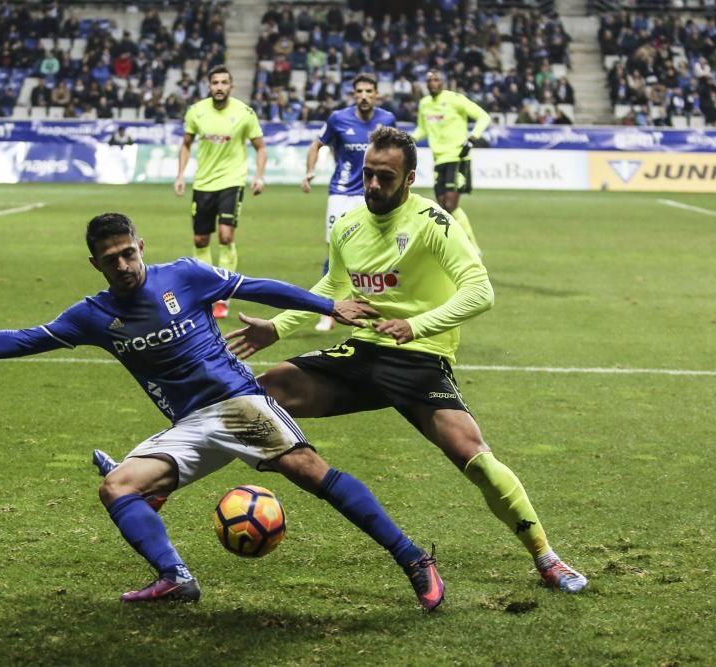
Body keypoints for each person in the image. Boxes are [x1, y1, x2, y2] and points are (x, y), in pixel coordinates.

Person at [0, 212, 445, 611]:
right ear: (96, 263)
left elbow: (255, 285)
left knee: (309, 471)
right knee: (117, 487)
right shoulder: (93, 316)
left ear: (141, 246)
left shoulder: (183, 276)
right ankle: (174, 576)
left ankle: (413, 557)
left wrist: (328, 305)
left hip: (235, 404)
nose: (122, 265)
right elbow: (24, 340)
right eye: (110, 259)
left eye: (128, 253)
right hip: (188, 425)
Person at [224, 127, 589, 595]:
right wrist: (277, 327)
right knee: (256, 397)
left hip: (420, 359)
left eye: (386, 178)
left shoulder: (434, 224)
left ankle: (547, 557)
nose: (373, 185)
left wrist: (417, 326)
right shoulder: (349, 226)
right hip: (363, 353)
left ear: (409, 178)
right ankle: (158, 479)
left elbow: (481, 292)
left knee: (474, 458)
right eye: (368, 174)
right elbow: (331, 290)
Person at [301, 73, 397, 331]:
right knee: (336, 253)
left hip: (374, 194)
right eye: (360, 91)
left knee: (377, 253)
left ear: (376, 94)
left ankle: (372, 307)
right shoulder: (338, 119)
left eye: (369, 91)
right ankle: (327, 312)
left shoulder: (387, 120)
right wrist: (309, 172)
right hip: (341, 194)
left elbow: (396, 154)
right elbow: (316, 145)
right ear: (354, 94)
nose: (364, 95)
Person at [174, 65, 267, 320]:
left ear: (231, 86)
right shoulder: (196, 112)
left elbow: (260, 147)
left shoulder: (244, 113)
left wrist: (259, 176)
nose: (219, 87)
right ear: (209, 85)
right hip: (203, 184)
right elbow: (185, 144)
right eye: (215, 82)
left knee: (226, 237)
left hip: (232, 181)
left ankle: (222, 295)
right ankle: (204, 290)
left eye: (224, 82)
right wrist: (181, 175)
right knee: (200, 240)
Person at [412, 70, 490, 255]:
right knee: (442, 206)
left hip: (458, 157)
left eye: (436, 79)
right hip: (439, 160)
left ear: (443, 82)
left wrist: (472, 139)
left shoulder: (455, 99)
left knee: (450, 205)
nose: (433, 83)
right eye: (429, 80)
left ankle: (472, 247)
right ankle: (455, 245)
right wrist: (408, 138)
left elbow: (483, 117)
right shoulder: (425, 104)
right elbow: (422, 130)